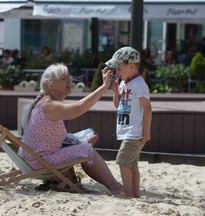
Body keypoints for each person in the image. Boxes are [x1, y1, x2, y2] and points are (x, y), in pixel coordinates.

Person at [18, 63, 125, 197]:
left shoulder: (42, 104)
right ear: (50, 85)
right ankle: (116, 188)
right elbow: (79, 108)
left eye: (69, 77)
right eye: (63, 79)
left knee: (84, 143)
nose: (69, 81)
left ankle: (114, 185)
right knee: (87, 150)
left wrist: (80, 140)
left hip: (31, 159)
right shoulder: (50, 106)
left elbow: (50, 138)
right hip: (40, 162)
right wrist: (104, 87)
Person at [108, 47, 152, 198]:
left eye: (119, 68)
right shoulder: (124, 83)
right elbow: (118, 105)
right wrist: (115, 93)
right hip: (129, 130)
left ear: (132, 66)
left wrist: (146, 131)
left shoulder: (138, 83)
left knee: (123, 161)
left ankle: (127, 193)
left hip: (135, 131)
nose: (117, 72)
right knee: (132, 165)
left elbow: (147, 107)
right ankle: (135, 194)